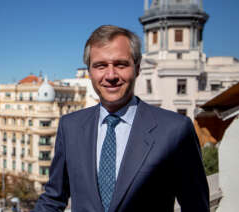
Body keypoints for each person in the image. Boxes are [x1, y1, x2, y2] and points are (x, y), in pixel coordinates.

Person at [33, 25, 209, 212]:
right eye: (100, 66)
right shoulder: (70, 126)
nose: (111, 76)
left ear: (137, 68)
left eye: (120, 64)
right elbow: (53, 199)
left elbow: (195, 206)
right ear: (90, 72)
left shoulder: (175, 130)